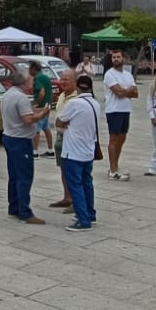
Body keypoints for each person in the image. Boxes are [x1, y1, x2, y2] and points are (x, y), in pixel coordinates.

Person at [55, 74, 103, 232]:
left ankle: (83, 220)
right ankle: (90, 214)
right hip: (88, 150)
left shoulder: (74, 103)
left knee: (75, 185)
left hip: (73, 151)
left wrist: (68, 122)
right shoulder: (95, 103)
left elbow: (58, 121)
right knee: (87, 184)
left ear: (77, 86)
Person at [0, 71, 44, 225]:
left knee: (14, 175)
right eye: (31, 80)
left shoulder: (7, 94)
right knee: (24, 177)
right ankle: (25, 212)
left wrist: (33, 111)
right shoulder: (21, 97)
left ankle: (14, 207)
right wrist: (42, 114)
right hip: (20, 140)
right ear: (24, 83)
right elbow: (27, 120)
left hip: (9, 136)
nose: (33, 82)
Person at [103, 52, 138, 180]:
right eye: (114, 57)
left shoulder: (128, 75)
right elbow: (118, 92)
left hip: (125, 109)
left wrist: (125, 91)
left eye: (118, 57)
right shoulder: (109, 74)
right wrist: (127, 90)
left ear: (124, 58)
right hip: (114, 110)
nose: (116, 59)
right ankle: (113, 171)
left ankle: (116, 166)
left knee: (122, 138)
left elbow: (136, 93)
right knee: (114, 139)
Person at [47, 69, 79, 212]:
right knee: (63, 169)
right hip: (60, 136)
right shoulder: (62, 96)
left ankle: (75, 201)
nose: (63, 82)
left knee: (72, 170)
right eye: (62, 79)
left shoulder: (77, 98)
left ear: (75, 81)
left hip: (71, 138)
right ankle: (67, 197)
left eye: (67, 79)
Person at [29, 61, 56, 158]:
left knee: (36, 129)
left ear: (33, 69)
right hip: (47, 105)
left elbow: (42, 92)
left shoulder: (38, 78)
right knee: (46, 128)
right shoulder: (46, 77)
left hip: (41, 107)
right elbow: (50, 92)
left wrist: (36, 103)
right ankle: (50, 150)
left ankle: (34, 152)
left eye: (30, 69)